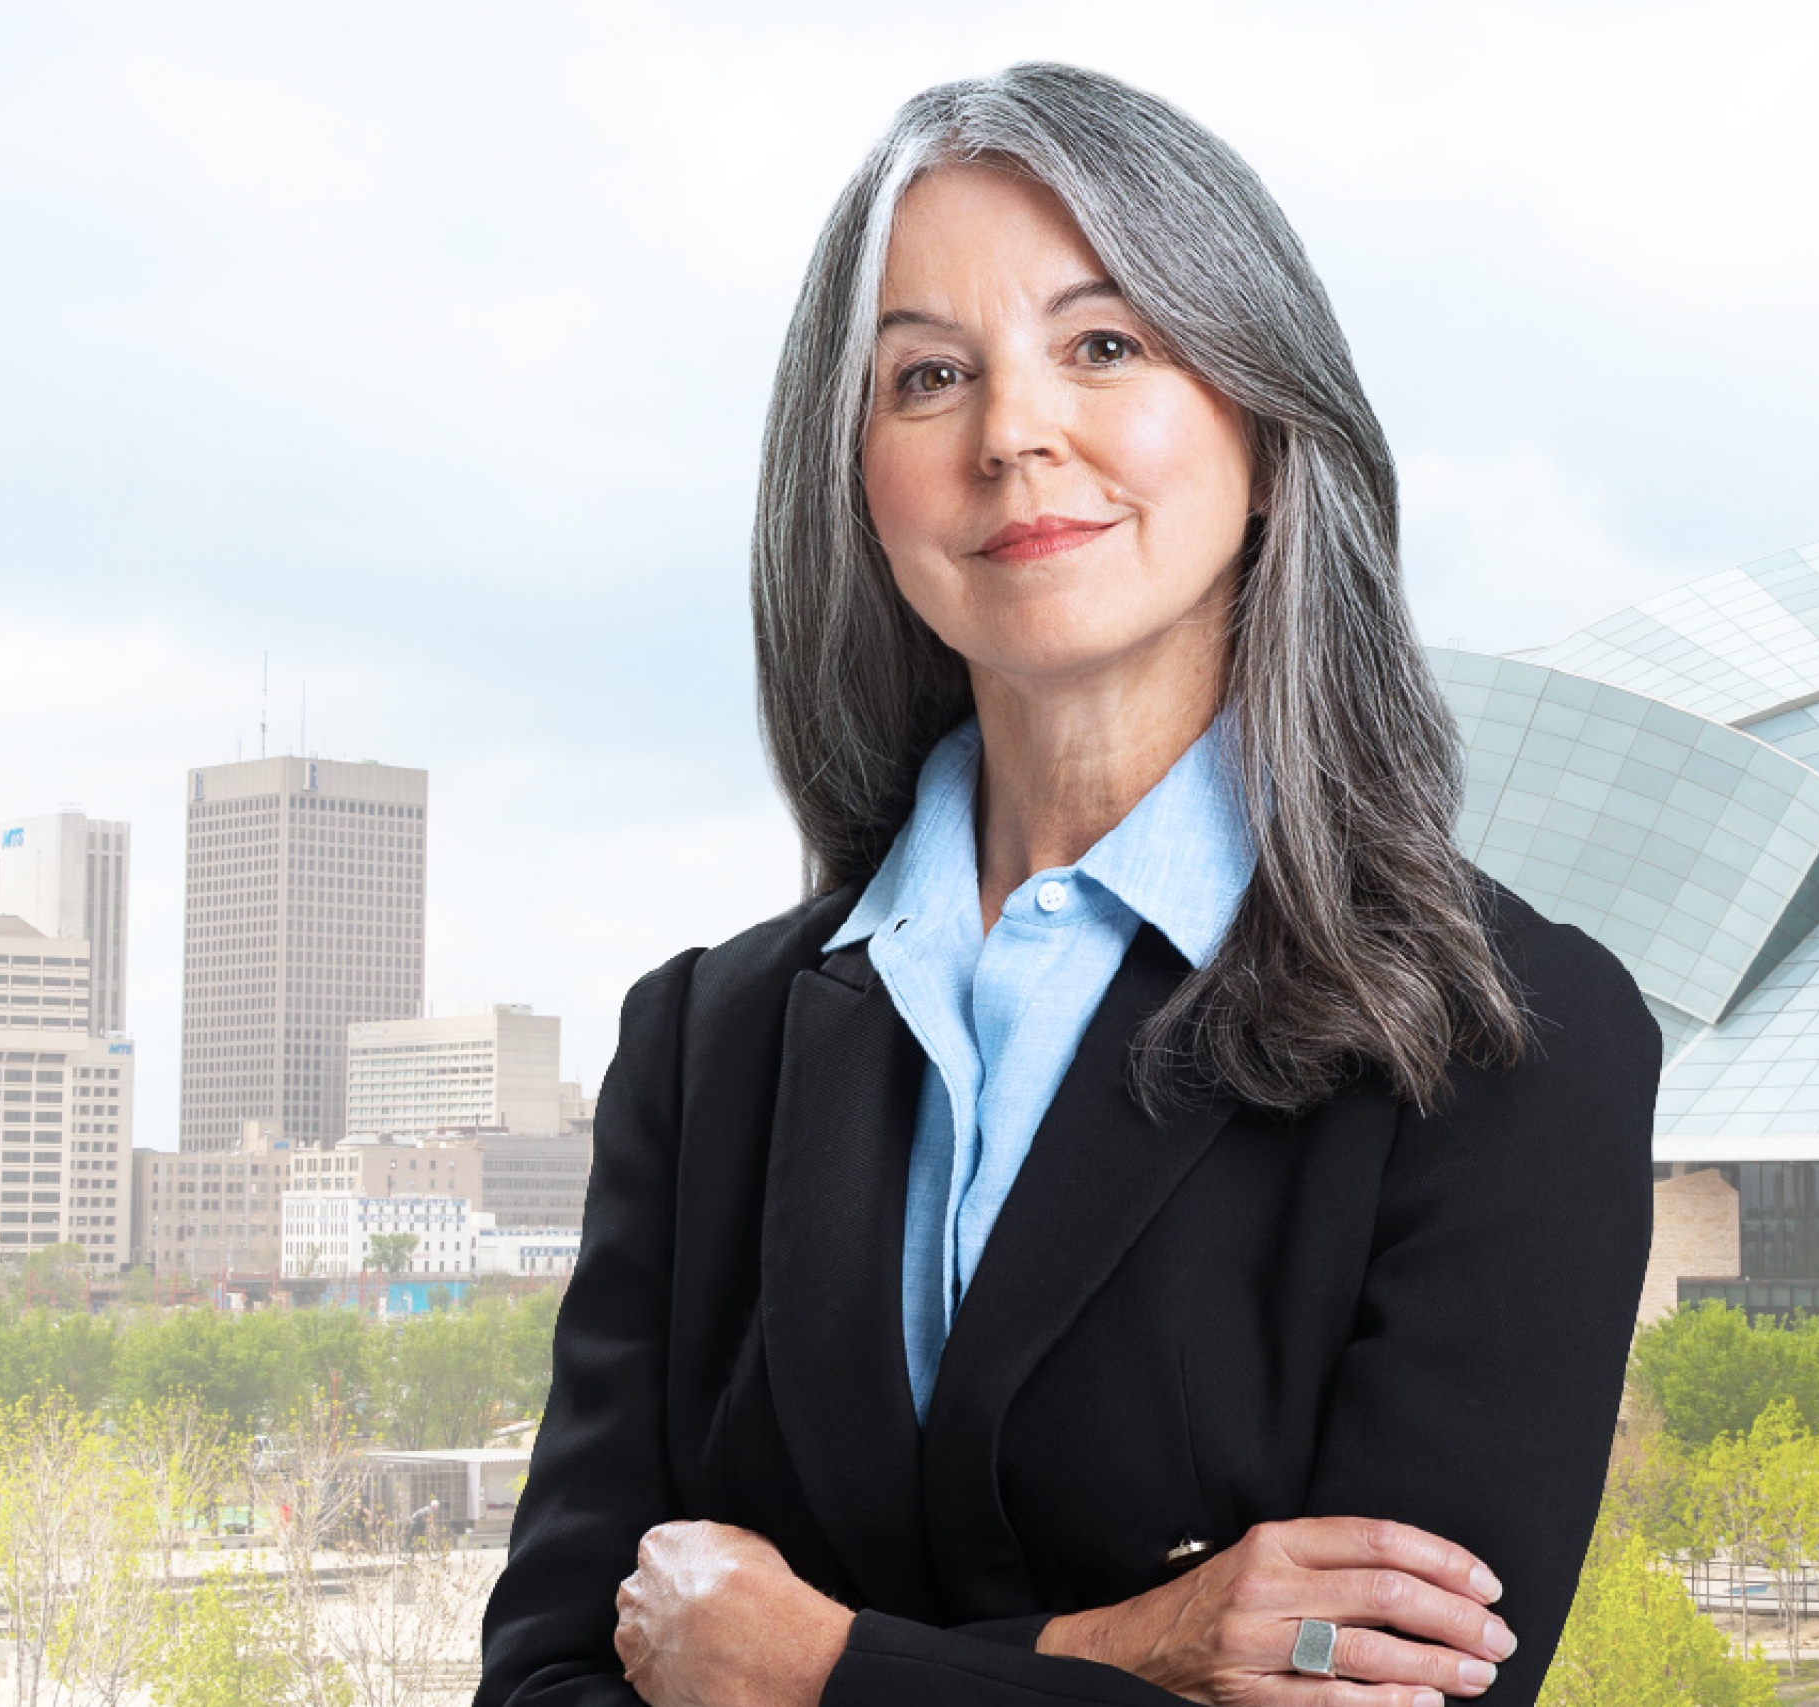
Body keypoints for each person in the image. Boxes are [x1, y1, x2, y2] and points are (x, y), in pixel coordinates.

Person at [473, 62, 1657, 1707]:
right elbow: (546, 1687)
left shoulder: (1496, 1042)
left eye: (1105, 345)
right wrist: (1137, 1655)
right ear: (856, 480)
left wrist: (819, 1670)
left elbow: (1406, 1697)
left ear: (1262, 419)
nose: (1013, 433)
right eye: (926, 376)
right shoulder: (705, 1048)